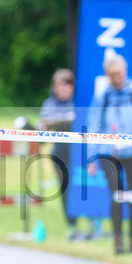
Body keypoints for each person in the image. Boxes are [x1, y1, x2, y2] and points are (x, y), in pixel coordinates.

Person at [86, 53, 132, 254]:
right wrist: (92, 156)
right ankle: (118, 240)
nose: (117, 78)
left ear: (126, 72)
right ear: (107, 75)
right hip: (109, 153)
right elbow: (93, 126)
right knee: (117, 196)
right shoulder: (103, 95)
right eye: (112, 74)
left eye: (120, 73)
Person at [39, 69, 80, 240]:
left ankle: (93, 223)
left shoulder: (79, 101)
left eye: (66, 85)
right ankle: (72, 225)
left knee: (83, 187)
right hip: (60, 154)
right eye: (59, 86)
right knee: (65, 189)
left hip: (78, 154)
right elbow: (42, 130)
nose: (62, 89)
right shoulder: (49, 104)